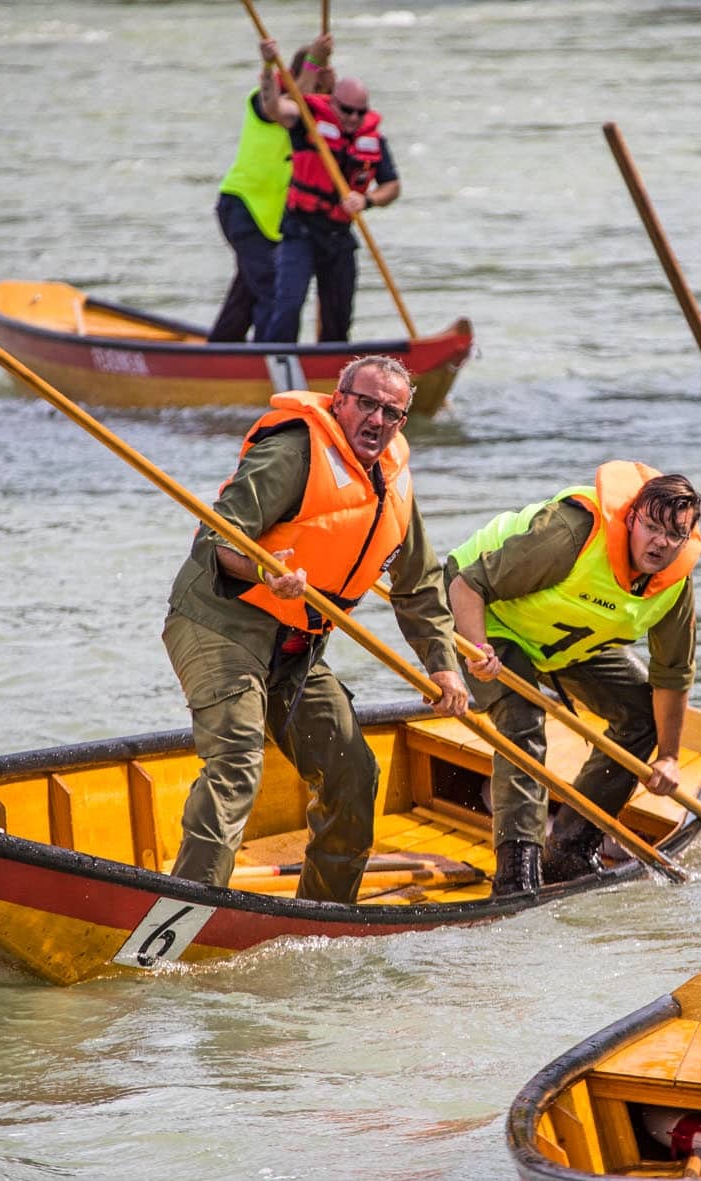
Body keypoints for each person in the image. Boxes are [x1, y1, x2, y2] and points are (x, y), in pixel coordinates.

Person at [162, 355, 468, 902]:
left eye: (391, 412)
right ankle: (184, 908)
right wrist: (265, 571)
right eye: (366, 404)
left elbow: (418, 584)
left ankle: (324, 913)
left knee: (354, 774)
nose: (376, 420)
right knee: (236, 761)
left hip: (296, 648)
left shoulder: (394, 480)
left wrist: (444, 668)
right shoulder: (293, 451)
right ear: (339, 400)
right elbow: (217, 541)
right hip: (221, 624)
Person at [446, 463, 701, 894]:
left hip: (562, 640)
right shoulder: (572, 534)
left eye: (674, 535)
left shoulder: (674, 584)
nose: (660, 543)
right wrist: (478, 652)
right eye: (651, 527)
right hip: (490, 619)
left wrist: (670, 757)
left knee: (644, 716)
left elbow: (672, 676)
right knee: (522, 719)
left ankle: (569, 847)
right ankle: (516, 873)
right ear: (631, 518)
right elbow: (468, 585)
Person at [261, 41, 399, 344]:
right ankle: (274, 364)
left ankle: (335, 372)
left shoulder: (373, 139)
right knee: (288, 305)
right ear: (332, 102)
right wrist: (271, 66)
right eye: (346, 110)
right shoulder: (307, 121)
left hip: (338, 235)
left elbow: (392, 186)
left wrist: (367, 200)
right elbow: (273, 107)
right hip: (301, 231)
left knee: (338, 315)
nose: (352, 118)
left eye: (359, 113)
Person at [208, 36, 337, 343]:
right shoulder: (265, 101)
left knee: (248, 290)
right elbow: (292, 106)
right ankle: (268, 362)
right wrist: (314, 63)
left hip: (274, 220)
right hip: (243, 207)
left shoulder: (318, 114)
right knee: (273, 289)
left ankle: (220, 349)